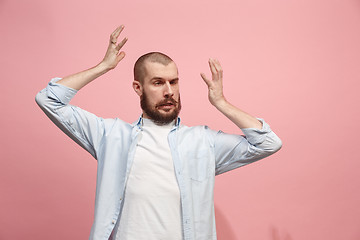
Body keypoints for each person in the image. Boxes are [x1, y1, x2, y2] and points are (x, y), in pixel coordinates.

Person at [35, 25, 282, 240]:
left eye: (173, 82)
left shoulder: (202, 141)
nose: (168, 91)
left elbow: (268, 143)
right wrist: (103, 67)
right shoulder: (110, 136)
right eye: (157, 82)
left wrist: (221, 102)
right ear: (138, 87)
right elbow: (49, 99)